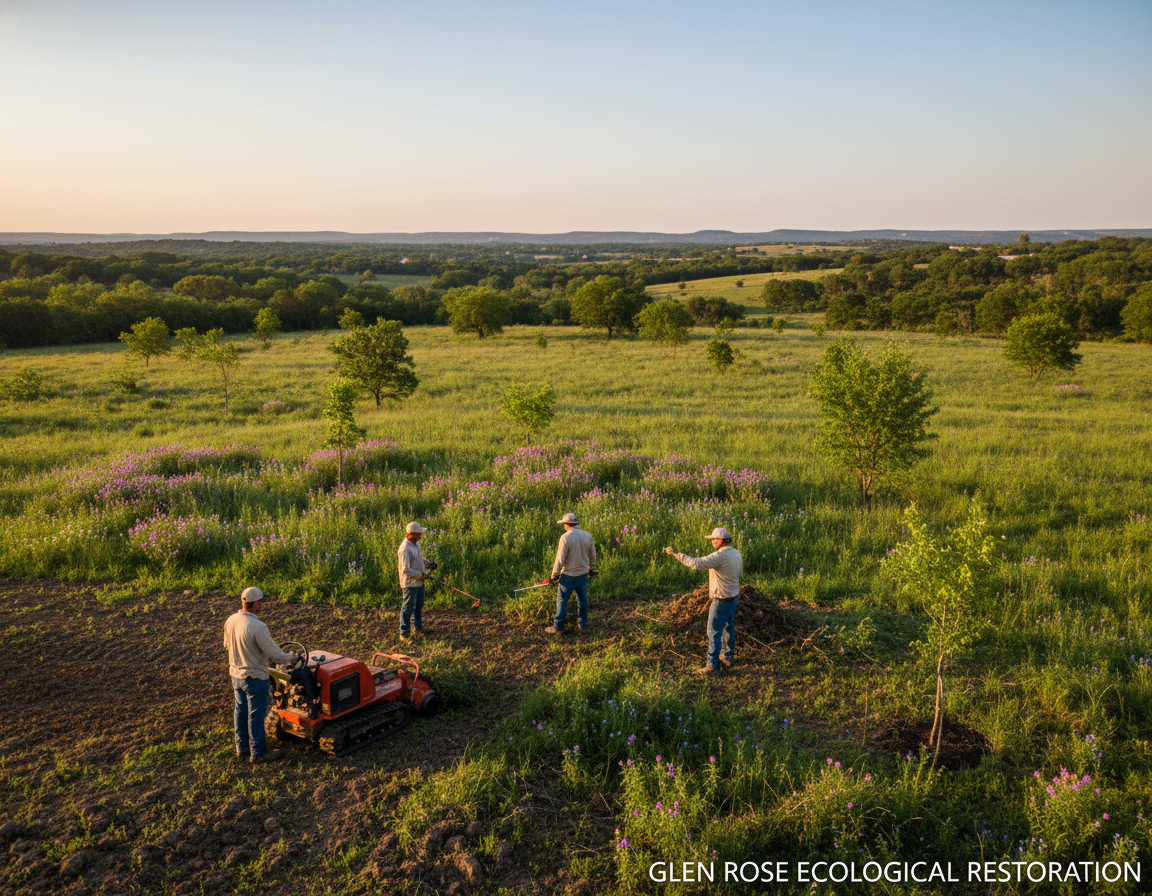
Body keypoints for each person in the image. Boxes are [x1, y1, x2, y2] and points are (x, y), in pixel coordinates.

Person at [224, 586, 298, 762]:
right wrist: (291, 659)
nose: (261, 605)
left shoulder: (231, 620)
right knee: (255, 715)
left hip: (236, 675)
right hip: (255, 678)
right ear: (256, 603)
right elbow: (275, 654)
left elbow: (227, 645)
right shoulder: (257, 626)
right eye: (261, 602)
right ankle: (258, 752)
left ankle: (241, 747)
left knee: (240, 711)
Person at [664, 527, 743, 674]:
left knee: (713, 631)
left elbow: (697, 563)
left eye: (714, 539)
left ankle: (712, 665)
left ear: (721, 540)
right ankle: (727, 656)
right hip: (734, 595)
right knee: (728, 627)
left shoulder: (719, 556)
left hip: (721, 598)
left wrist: (676, 554)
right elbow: (739, 573)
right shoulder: (736, 553)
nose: (712, 541)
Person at [545, 512, 596, 635]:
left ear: (567, 524)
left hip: (568, 575)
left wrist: (554, 575)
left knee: (562, 600)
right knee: (582, 599)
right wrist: (590, 567)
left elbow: (560, 559)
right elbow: (592, 556)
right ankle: (583, 624)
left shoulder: (565, 537)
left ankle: (558, 626)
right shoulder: (587, 535)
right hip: (582, 574)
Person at [398, 521, 436, 638]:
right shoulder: (405, 548)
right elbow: (406, 570)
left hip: (419, 581)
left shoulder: (415, 544)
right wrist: (421, 574)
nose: (421, 536)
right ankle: (404, 632)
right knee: (408, 607)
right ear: (411, 534)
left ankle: (417, 628)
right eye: (419, 534)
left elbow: (419, 558)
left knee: (418, 606)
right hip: (410, 583)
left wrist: (429, 564)